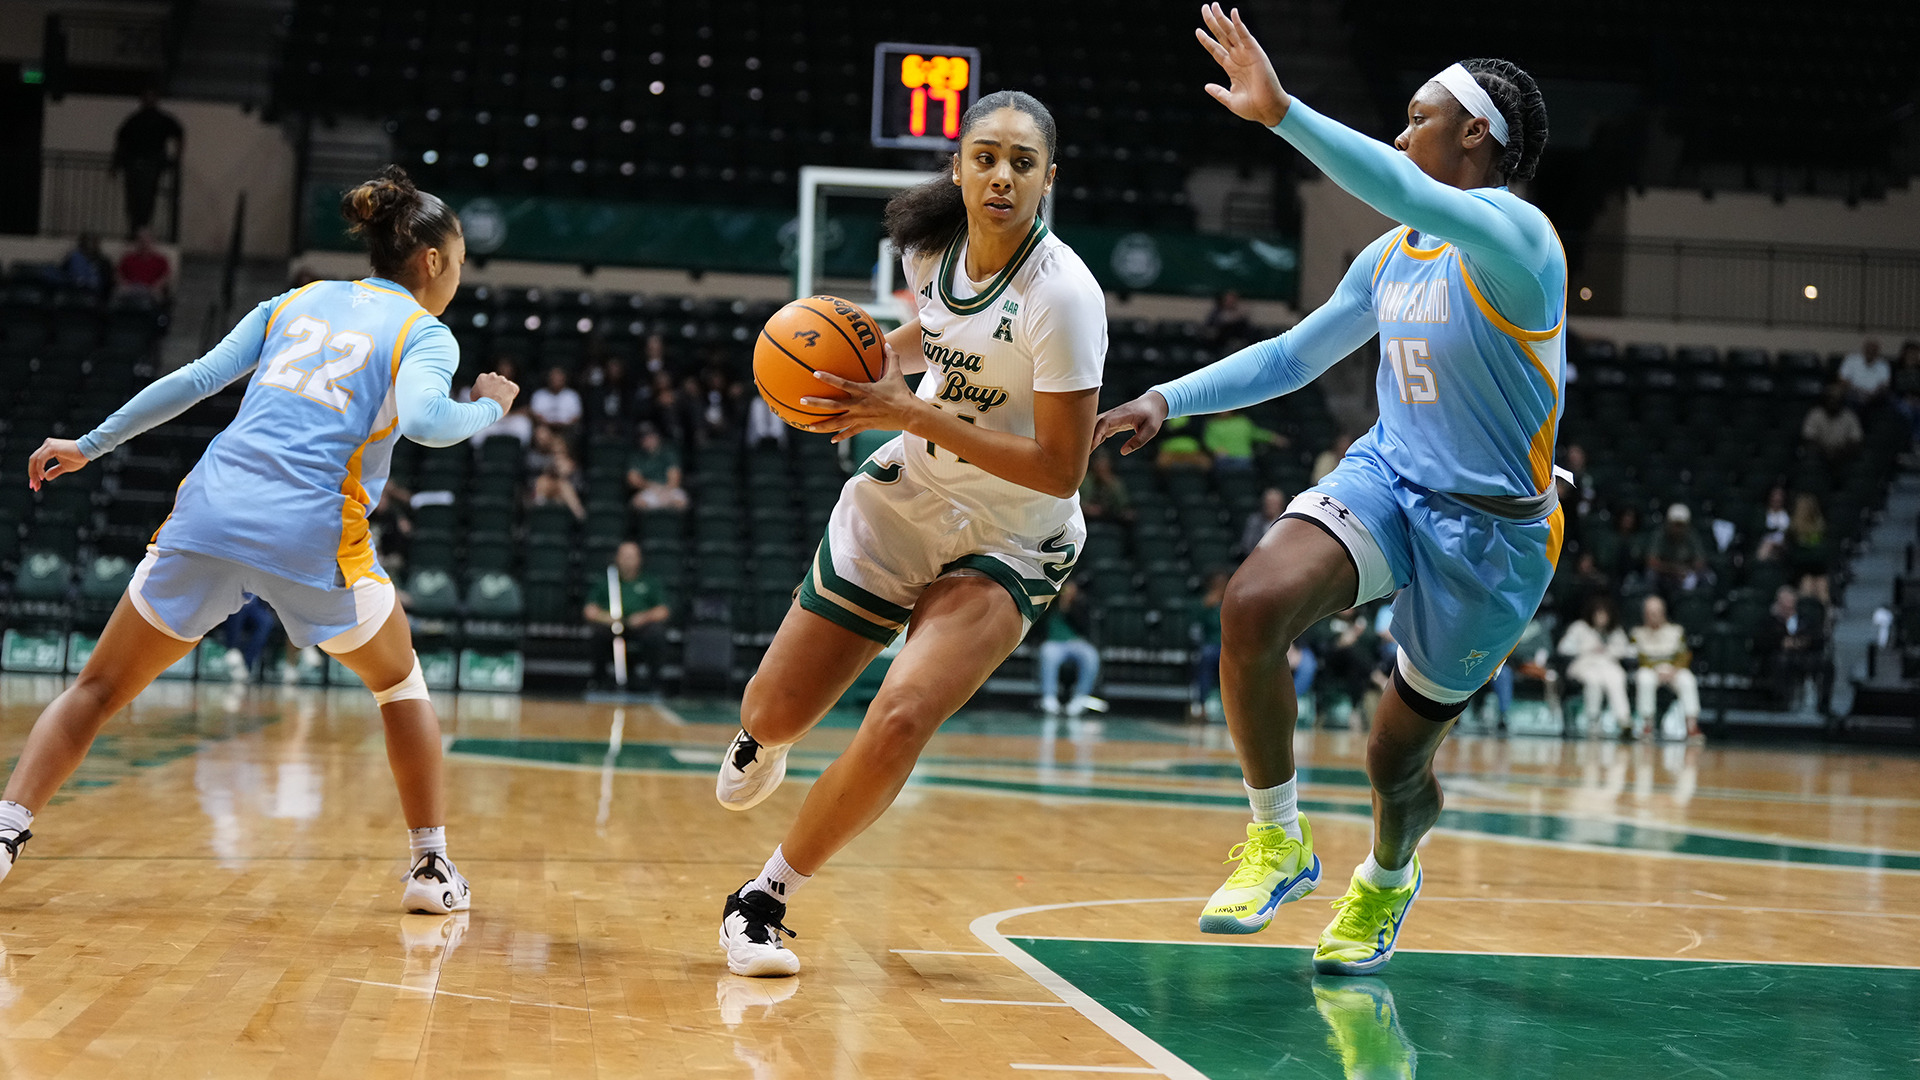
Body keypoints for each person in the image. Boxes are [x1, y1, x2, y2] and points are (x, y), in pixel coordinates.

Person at [1095, 10, 1563, 976]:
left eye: (1418, 115)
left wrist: (1283, 115)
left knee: (1395, 766)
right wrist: (1164, 399)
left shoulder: (1521, 239)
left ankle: (1388, 879)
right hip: (1390, 479)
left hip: (1491, 537)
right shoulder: (1393, 256)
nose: (1402, 135)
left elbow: (1392, 181)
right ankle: (1279, 839)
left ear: (1476, 133)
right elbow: (1295, 355)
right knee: (1254, 603)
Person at [0, 166, 513, 913]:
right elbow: (432, 424)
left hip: (211, 510)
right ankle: (431, 869)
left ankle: (6, 831)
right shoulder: (425, 332)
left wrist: (91, 442)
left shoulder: (295, 300)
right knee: (399, 683)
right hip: (311, 531)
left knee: (99, 688)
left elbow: (198, 377)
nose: (458, 278)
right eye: (460, 263)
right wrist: (490, 407)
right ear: (432, 261)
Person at [712, 90, 1105, 978]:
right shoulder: (930, 249)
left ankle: (762, 901)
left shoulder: (1066, 297)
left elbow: (1059, 468)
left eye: (1022, 161)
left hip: (1015, 532)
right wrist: (856, 373)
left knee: (902, 716)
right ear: (959, 168)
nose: (1001, 175)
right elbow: (934, 337)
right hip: (910, 499)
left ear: (1049, 179)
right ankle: (762, 735)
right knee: (775, 709)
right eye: (985, 157)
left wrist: (904, 414)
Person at [582, 540, 672, 689]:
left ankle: (654, 682)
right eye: (624, 556)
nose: (627, 560)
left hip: (640, 627)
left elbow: (663, 611)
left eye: (631, 556)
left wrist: (643, 617)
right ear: (617, 558)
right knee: (597, 634)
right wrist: (607, 618)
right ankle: (599, 681)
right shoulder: (606, 581)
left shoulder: (650, 582)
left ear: (639, 559)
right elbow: (589, 610)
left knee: (657, 633)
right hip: (613, 626)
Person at [1629, 594, 1701, 741]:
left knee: (1688, 680)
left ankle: (1692, 726)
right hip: (1650, 670)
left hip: (1673, 670)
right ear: (1645, 614)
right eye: (1651, 612)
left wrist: (1674, 670)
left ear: (1663, 612)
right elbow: (1636, 658)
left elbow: (1684, 655)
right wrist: (1656, 669)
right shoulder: (1637, 633)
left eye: (1657, 612)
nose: (1654, 616)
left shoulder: (1676, 631)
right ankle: (1647, 725)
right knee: (1644, 679)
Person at [112, 89, 183, 236]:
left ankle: (140, 231)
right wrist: (116, 163)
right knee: (135, 200)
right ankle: (137, 230)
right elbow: (121, 141)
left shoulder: (158, 120)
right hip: (136, 164)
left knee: (145, 199)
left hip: (150, 164)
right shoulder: (135, 120)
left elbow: (179, 134)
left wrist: (177, 159)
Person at [1557, 597, 1632, 735]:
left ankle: (1624, 720)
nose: (1602, 618)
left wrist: (1610, 651)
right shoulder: (1579, 627)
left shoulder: (1615, 631)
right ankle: (1593, 721)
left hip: (1608, 665)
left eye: (1605, 614)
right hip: (1584, 664)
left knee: (1617, 679)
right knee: (1593, 681)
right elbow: (1563, 648)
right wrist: (1588, 649)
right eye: (1598, 614)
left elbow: (1627, 650)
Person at [1034, 581, 1100, 717]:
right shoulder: (1048, 605)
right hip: (1053, 643)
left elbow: (1084, 626)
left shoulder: (1080, 605)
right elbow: (1038, 626)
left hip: (1076, 643)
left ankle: (1080, 698)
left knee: (1091, 655)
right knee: (1047, 653)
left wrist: (1069, 607)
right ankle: (1049, 697)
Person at [1191, 571, 1230, 721]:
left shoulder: (1232, 601)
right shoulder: (1206, 603)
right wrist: (1205, 607)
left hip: (1230, 647)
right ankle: (1201, 706)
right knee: (1206, 655)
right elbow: (1195, 626)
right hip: (1211, 645)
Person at [1646, 502, 1708, 597]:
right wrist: (1674, 571)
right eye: (1675, 525)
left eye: (1681, 525)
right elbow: (1652, 562)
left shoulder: (1692, 535)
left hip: (1686, 572)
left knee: (1705, 577)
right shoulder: (1660, 534)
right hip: (1665, 573)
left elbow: (1700, 562)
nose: (1678, 529)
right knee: (1651, 575)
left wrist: (1687, 570)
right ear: (1669, 524)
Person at [626, 424, 689, 510]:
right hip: (649, 489)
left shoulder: (668, 452)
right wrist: (652, 487)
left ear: (657, 437)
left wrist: (665, 492)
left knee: (681, 503)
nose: (647, 440)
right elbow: (633, 479)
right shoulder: (637, 456)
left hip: (669, 488)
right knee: (638, 503)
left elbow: (675, 477)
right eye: (644, 437)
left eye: (650, 436)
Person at [1800, 381, 1863, 466]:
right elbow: (1808, 438)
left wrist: (1840, 452)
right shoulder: (1815, 414)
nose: (1833, 402)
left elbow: (1856, 440)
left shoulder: (1849, 416)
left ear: (1842, 400)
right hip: (1819, 458)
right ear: (1825, 399)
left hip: (1843, 459)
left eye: (1837, 399)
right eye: (1831, 398)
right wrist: (1825, 451)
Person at [1203, 409, 1286, 471]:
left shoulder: (1242, 421)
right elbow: (1210, 440)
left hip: (1244, 457)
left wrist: (1273, 438)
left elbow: (1255, 433)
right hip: (1225, 459)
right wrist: (1216, 449)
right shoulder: (1213, 424)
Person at [1785, 492, 1831, 603]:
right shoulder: (1792, 531)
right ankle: (1807, 614)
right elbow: (1794, 556)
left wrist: (1807, 551)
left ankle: (1825, 618)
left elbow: (1823, 554)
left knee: (1822, 586)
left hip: (1819, 570)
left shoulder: (1822, 529)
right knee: (1807, 584)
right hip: (1800, 572)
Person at [114, 227, 173, 302]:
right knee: (119, 294)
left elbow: (166, 276)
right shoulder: (128, 258)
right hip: (131, 288)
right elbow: (118, 274)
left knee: (157, 297)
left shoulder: (160, 260)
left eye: (146, 241)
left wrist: (157, 286)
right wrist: (124, 284)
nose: (144, 244)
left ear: (152, 242)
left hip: (150, 289)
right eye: (141, 241)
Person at [1078, 450, 1133, 522]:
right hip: (1087, 518)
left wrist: (1111, 485)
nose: (1102, 466)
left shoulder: (1114, 482)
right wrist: (1088, 508)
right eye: (1099, 463)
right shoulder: (1085, 480)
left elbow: (1123, 505)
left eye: (1105, 463)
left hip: (1110, 518)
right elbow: (1079, 502)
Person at [1837, 339, 1890, 409]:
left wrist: (1872, 394)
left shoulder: (1883, 365)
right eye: (1868, 350)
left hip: (1874, 397)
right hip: (1853, 394)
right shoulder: (1851, 359)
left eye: (1873, 351)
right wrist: (1858, 392)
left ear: (1877, 353)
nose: (1870, 353)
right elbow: (1842, 380)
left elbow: (1884, 386)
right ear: (1864, 350)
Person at [57, 233, 113, 299]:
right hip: (74, 290)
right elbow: (62, 271)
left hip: (94, 293)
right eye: (87, 242)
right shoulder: (74, 257)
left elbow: (107, 279)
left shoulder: (103, 260)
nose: (90, 245)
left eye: (92, 242)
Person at [528, 365, 583, 432]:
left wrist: (563, 425)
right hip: (546, 428)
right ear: (548, 379)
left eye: (558, 378)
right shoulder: (539, 395)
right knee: (541, 433)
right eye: (553, 378)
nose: (555, 380)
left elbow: (576, 416)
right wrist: (549, 424)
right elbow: (535, 415)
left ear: (564, 379)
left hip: (568, 429)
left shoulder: (572, 395)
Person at [1237, 486, 1288, 557]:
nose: (1270, 506)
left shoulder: (1286, 522)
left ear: (1281, 505)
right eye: (1268, 503)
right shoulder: (1254, 521)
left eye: (1274, 503)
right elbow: (1247, 545)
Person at [1753, 485, 1792, 562]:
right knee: (1767, 546)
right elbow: (1758, 530)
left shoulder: (1787, 514)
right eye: (1775, 496)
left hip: (1783, 546)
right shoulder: (1763, 513)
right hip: (1765, 544)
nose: (1777, 499)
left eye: (1780, 496)